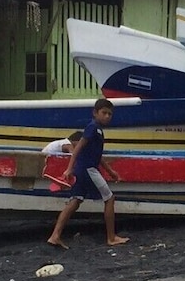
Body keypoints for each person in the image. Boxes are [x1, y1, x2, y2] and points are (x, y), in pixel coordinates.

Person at [47, 99, 129, 249]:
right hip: (88, 170)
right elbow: (78, 149)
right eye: (104, 113)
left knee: (75, 201)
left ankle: (55, 236)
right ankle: (111, 237)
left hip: (82, 170)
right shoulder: (92, 128)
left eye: (110, 114)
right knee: (110, 199)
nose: (107, 116)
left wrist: (111, 172)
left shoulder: (97, 130)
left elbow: (96, 155)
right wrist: (69, 168)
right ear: (95, 113)